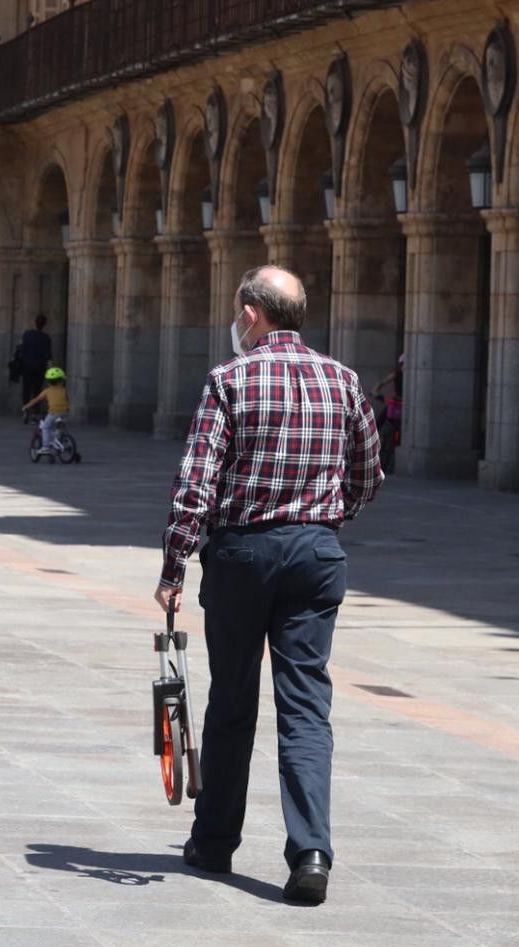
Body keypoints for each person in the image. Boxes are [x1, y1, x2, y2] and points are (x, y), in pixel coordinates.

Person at [156, 265, 382, 905]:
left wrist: (174, 567)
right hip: (316, 553)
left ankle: (214, 842)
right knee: (306, 705)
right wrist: (323, 521)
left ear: (252, 314)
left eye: (238, 309)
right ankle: (310, 852)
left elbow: (196, 483)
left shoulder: (229, 380)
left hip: (242, 554)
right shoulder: (344, 380)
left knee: (231, 701)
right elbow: (368, 474)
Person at [21, 366, 71, 448]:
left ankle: (46, 446)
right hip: (65, 412)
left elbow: (36, 400)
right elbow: (66, 400)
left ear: (48, 382)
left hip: (53, 413)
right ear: (61, 381)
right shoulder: (63, 390)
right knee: (61, 426)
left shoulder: (47, 391)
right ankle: (64, 441)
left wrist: (26, 406)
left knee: (46, 427)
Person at [16, 315, 53, 419]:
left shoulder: (27, 334)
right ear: (44, 324)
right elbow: (49, 356)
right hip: (39, 368)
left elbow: (22, 349)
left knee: (26, 390)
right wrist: (51, 370)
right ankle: (35, 413)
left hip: (27, 367)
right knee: (37, 391)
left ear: (35, 322)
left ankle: (26, 411)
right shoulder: (46, 338)